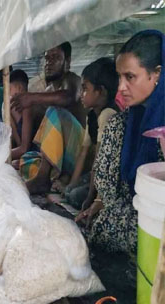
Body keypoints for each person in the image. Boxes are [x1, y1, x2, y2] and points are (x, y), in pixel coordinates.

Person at [76, 30, 164, 254]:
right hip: (122, 216)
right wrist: (99, 203)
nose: (121, 87)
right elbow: (108, 186)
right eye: (119, 77)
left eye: (130, 77)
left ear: (157, 75)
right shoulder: (120, 124)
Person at [11, 42, 87, 194]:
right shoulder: (48, 90)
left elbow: (69, 97)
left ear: (68, 61)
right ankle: (54, 177)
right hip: (61, 159)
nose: (48, 63)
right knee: (21, 162)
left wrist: (32, 98)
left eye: (55, 57)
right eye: (47, 58)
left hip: (79, 156)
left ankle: (43, 178)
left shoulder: (73, 80)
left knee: (54, 111)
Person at [63, 58, 119, 209]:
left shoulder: (107, 115)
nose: (81, 94)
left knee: (75, 197)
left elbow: (98, 159)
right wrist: (72, 183)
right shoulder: (92, 115)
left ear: (100, 91)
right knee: (69, 191)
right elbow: (83, 152)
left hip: (109, 177)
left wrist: (90, 198)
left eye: (85, 88)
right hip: (96, 175)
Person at [9, 69, 42, 161]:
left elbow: (24, 149)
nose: (8, 94)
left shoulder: (28, 107)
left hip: (37, 154)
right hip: (24, 153)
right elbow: (19, 144)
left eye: (9, 89)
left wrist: (1, 157)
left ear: (19, 88)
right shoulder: (11, 108)